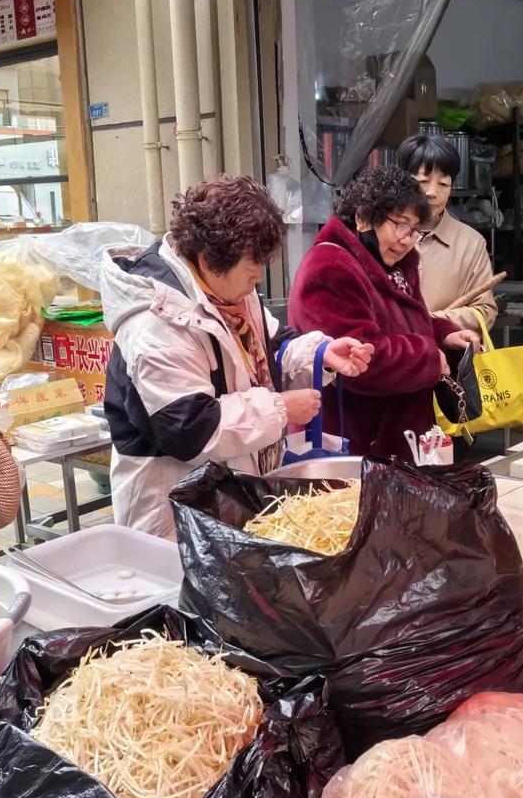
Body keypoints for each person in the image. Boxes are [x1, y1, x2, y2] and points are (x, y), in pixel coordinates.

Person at [102, 174, 373, 540]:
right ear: (209, 260)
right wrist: (280, 409)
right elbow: (191, 429)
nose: (258, 278)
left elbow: (271, 343)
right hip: (170, 505)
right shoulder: (156, 322)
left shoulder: (228, 292)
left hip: (228, 490)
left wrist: (321, 355)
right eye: (252, 267)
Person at [289, 166, 477, 459]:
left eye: (414, 231)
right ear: (364, 217)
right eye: (400, 225)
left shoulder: (390, 263)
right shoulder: (330, 268)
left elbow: (404, 321)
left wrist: (444, 335)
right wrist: (427, 357)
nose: (406, 239)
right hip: (357, 449)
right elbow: (359, 358)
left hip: (397, 443)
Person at [397, 134, 498, 339]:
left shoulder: (471, 243)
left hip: (447, 362)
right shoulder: (384, 235)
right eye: (423, 181)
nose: (432, 192)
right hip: (392, 358)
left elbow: (485, 311)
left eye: (443, 184)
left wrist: (433, 321)